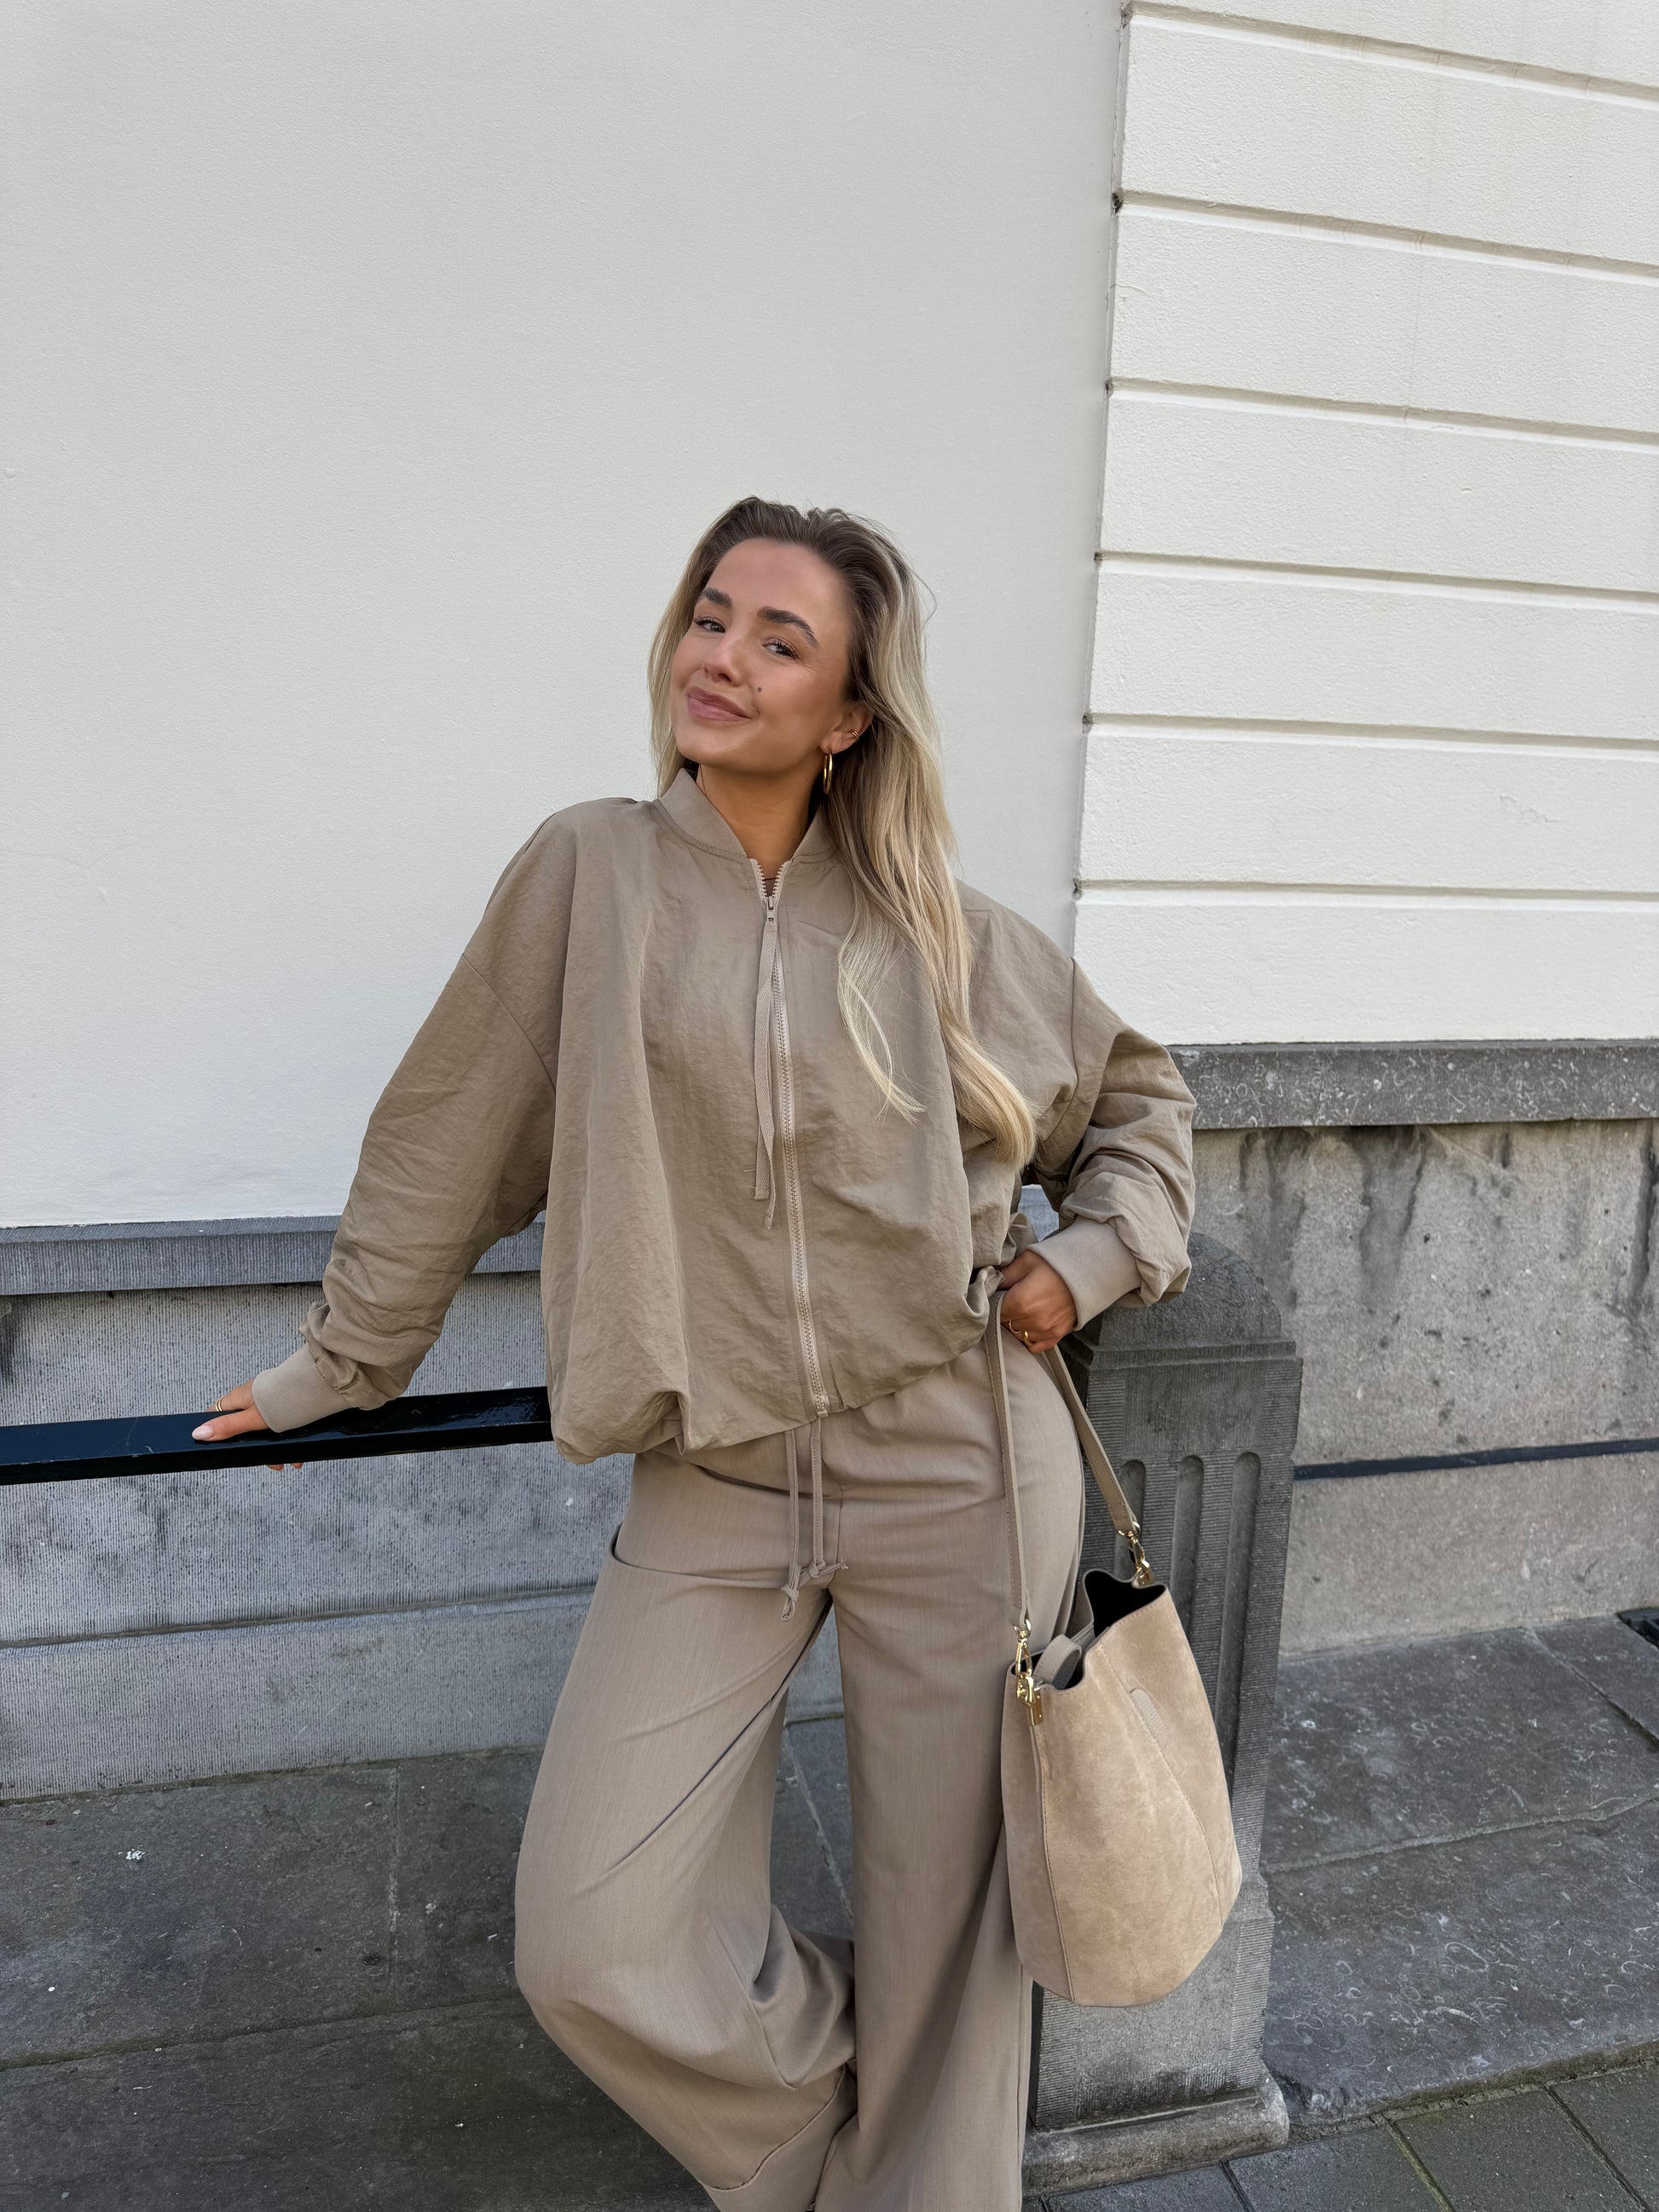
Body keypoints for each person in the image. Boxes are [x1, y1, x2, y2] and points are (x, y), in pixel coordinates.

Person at [194, 498, 1195, 2210]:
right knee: (593, 1931)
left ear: (851, 713)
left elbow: (1138, 1103)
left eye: (777, 640)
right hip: (714, 1468)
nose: (719, 657)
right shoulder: (587, 872)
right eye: (710, 615)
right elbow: (449, 1133)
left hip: (959, 1457)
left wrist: (1086, 1262)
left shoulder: (935, 926)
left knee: (948, 1922)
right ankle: (835, 2139)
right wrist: (339, 1363)